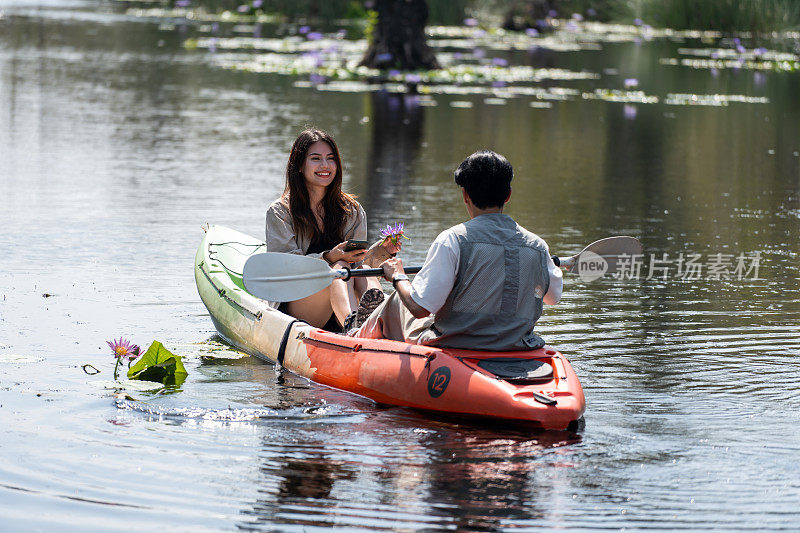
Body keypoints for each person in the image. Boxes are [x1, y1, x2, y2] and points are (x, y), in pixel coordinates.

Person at [353, 150, 563, 351]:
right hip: (517, 344)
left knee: (398, 299)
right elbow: (553, 297)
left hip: (456, 344)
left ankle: (352, 336)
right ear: (508, 195)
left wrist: (398, 276)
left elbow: (419, 309)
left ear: (465, 195)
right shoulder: (537, 246)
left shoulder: (452, 239)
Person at [265, 129, 396, 330]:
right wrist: (329, 257)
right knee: (339, 268)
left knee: (363, 270)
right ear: (299, 165)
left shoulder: (352, 210)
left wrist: (383, 252)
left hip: (343, 297)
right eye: (316, 159)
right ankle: (354, 327)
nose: (325, 166)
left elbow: (357, 265)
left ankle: (379, 324)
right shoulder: (280, 212)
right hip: (298, 304)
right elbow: (286, 268)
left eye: (330, 158)